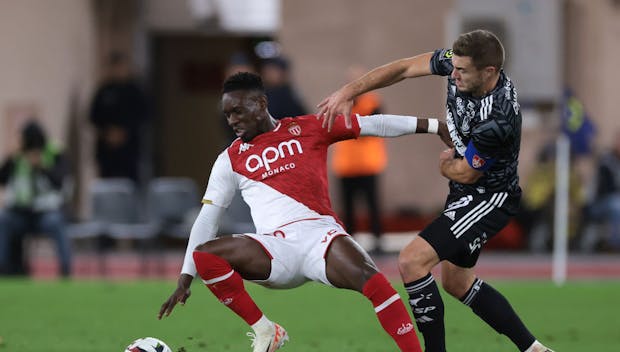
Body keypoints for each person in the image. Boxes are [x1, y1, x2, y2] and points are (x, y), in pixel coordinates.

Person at [158, 72, 449, 352]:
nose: (232, 120)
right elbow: (208, 219)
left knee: (374, 282)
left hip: (321, 237)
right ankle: (265, 330)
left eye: (237, 111)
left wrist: (436, 126)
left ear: (260, 104)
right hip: (275, 248)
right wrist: (186, 277)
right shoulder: (229, 159)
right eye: (227, 114)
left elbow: (374, 124)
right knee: (206, 255)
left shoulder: (310, 127)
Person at [317, 29, 554, 352]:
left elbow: (468, 173)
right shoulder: (458, 66)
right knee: (456, 283)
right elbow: (402, 68)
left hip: (487, 198)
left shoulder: (497, 117)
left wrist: (445, 165)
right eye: (452, 66)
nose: (451, 74)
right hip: (465, 192)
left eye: (461, 70)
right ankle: (535, 349)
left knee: (411, 261)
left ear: (489, 73)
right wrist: (348, 91)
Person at [0, 120, 71, 277]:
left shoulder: (54, 152)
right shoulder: (17, 156)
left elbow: (60, 182)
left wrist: (42, 167)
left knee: (56, 222)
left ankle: (66, 268)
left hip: (46, 212)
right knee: (3, 219)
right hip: (21, 213)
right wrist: (11, 157)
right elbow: (2, 178)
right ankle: (4, 268)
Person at [332, 65, 388, 254]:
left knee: (372, 206)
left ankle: (378, 242)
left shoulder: (373, 102)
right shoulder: (340, 104)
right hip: (346, 165)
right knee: (348, 208)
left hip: (368, 164)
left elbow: (369, 126)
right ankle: (351, 244)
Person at [89, 51, 149, 183]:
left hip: (130, 149)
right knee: (108, 183)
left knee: (130, 185)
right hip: (107, 149)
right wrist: (108, 133)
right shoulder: (104, 90)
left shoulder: (136, 91)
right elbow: (93, 116)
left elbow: (144, 116)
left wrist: (124, 132)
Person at [585, 129, 620, 249]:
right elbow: (606, 188)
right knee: (617, 204)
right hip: (600, 203)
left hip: (613, 200)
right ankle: (615, 244)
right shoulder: (607, 161)